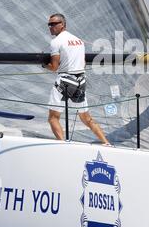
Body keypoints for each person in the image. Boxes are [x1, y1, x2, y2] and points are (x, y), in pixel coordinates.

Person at [44, 13, 111, 145]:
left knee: (53, 118)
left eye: (53, 24)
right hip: (81, 81)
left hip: (65, 81)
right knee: (86, 117)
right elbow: (84, 63)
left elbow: (54, 67)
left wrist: (44, 65)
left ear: (62, 24)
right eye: (49, 24)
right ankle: (106, 142)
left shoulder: (56, 42)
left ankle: (62, 145)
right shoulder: (79, 41)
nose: (50, 27)